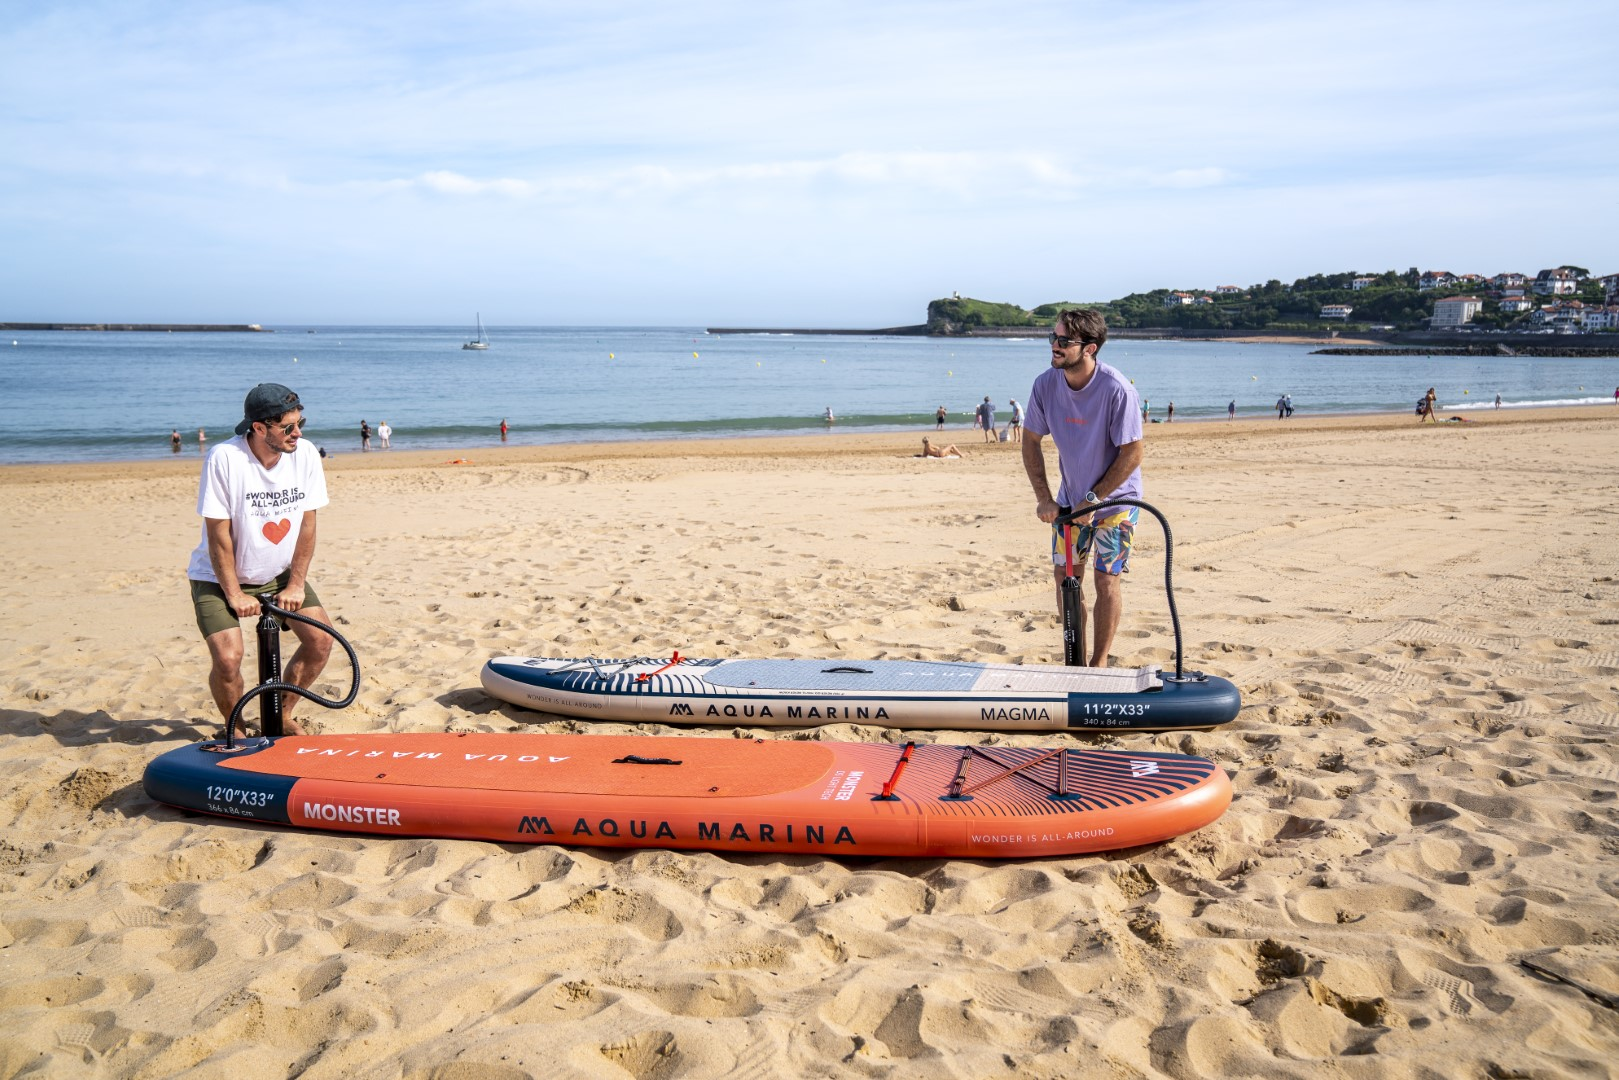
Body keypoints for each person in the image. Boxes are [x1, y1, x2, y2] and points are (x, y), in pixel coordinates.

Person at [186, 383, 334, 737]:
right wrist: (235, 595)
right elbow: (218, 536)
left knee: (321, 642)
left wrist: (296, 584)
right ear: (258, 428)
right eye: (288, 427)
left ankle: (281, 713)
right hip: (219, 576)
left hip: (279, 573)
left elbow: (307, 525)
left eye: (300, 423)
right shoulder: (225, 458)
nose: (297, 433)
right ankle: (233, 726)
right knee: (228, 658)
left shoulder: (306, 454)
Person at [1021, 309, 1144, 668]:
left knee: (1106, 580)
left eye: (1064, 341)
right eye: (1053, 338)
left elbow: (1133, 452)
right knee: (1065, 578)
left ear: (1089, 349)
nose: (1055, 346)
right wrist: (1044, 497)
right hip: (1070, 502)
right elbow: (1030, 441)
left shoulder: (1116, 389)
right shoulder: (1045, 384)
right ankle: (1074, 661)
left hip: (1115, 503)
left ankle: (1099, 663)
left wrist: (1094, 498)